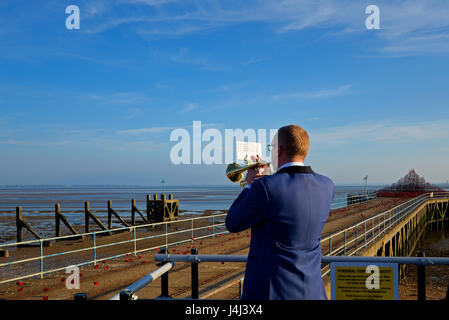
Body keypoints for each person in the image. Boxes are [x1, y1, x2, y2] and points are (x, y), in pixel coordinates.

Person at [225, 124, 334, 300]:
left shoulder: (264, 188)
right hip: (312, 292)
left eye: (271, 148)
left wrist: (251, 184)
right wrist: (269, 179)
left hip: (271, 293)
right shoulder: (327, 185)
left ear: (279, 150)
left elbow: (232, 222)